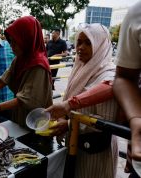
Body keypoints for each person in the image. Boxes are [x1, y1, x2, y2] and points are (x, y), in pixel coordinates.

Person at [46, 23, 118, 178]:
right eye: (79, 42)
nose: (80, 47)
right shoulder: (81, 67)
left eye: (88, 43)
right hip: (76, 145)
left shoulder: (108, 74)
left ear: (101, 46)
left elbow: (106, 123)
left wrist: (69, 124)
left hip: (96, 153)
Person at [0, 16, 52, 127]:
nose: (12, 46)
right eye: (11, 41)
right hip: (20, 116)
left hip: (35, 121)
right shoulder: (20, 59)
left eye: (15, 42)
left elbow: (25, 99)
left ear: (27, 39)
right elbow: (2, 81)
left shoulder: (38, 64)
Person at [113, 1, 141, 177]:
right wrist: (136, 118)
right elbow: (125, 77)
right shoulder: (137, 12)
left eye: (87, 42)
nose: (80, 48)